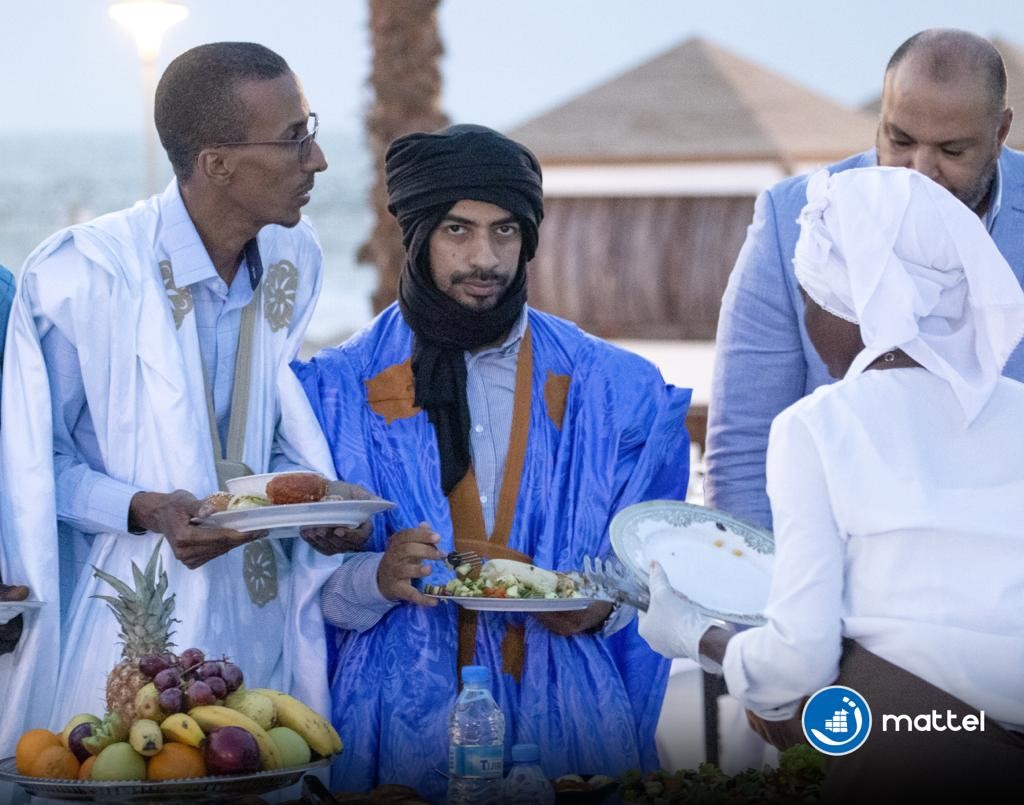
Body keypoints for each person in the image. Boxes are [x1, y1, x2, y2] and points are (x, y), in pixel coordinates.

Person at [295, 124, 692, 800]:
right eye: (458, 230)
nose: (485, 258)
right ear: (418, 236)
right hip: (396, 719)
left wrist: (603, 608)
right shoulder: (335, 389)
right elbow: (294, 590)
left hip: (567, 718)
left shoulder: (615, 389)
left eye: (505, 231)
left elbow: (660, 560)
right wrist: (376, 576)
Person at [639, 166, 1024, 799]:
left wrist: (692, 635)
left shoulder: (820, 426)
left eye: (811, 298)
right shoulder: (1017, 411)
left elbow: (798, 662)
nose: (809, 320)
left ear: (853, 305)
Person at [0, 42, 343, 752]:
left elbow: (266, 427)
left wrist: (319, 504)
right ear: (216, 163)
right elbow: (34, 468)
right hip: (127, 648)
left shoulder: (296, 254)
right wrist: (146, 507)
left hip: (263, 622)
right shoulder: (83, 276)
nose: (317, 159)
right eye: (293, 138)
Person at [705, 28, 1024, 529]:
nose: (919, 171)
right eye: (900, 140)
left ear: (1000, 131)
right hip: (831, 556)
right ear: (880, 119)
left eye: (952, 151)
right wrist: (765, 574)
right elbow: (744, 453)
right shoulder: (793, 220)